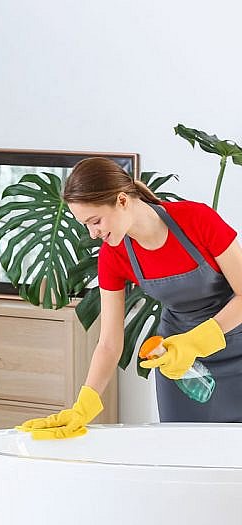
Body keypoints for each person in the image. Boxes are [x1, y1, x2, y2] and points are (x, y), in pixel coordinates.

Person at [19, 157, 242, 438]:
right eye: (86, 225)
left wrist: (196, 342)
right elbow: (110, 342)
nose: (93, 233)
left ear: (122, 200)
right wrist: (84, 405)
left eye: (95, 221)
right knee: (183, 452)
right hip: (179, 363)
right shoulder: (114, 256)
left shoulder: (197, 220)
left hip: (236, 342)